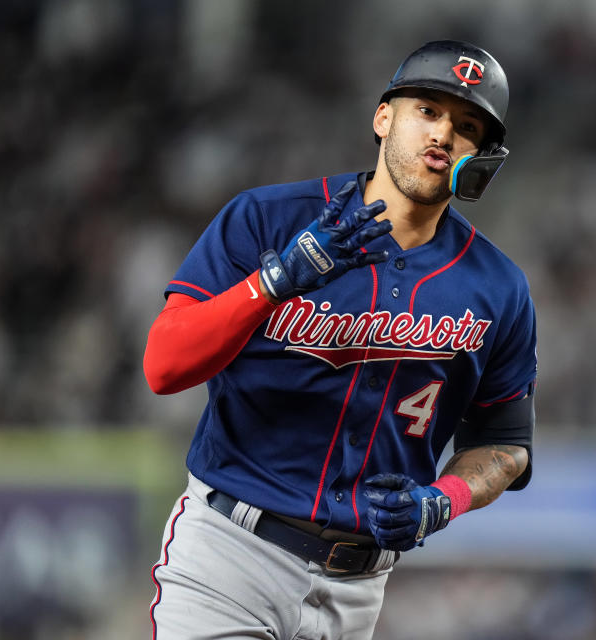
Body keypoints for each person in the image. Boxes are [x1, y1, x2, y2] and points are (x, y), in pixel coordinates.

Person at [144, 39, 537, 640]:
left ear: (482, 155)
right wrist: (274, 281)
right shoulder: (267, 220)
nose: (443, 135)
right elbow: (164, 366)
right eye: (426, 111)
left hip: (357, 593)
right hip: (231, 555)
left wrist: (445, 499)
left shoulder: (499, 287)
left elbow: (508, 446)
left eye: (467, 126)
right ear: (383, 118)